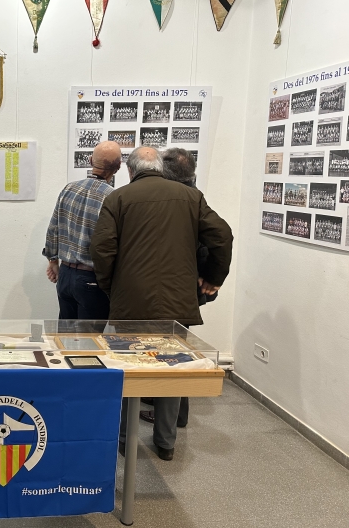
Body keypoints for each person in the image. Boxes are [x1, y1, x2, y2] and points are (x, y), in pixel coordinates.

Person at [90, 146, 233, 461]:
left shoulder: (118, 199)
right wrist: (213, 278)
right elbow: (222, 236)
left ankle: (126, 440)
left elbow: (101, 248)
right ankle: (166, 443)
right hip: (176, 301)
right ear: (159, 167)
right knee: (173, 369)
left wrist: (110, 287)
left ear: (130, 170)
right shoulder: (190, 198)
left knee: (129, 369)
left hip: (130, 302)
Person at [139, 148, 219, 429]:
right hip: (187, 288)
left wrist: (211, 277)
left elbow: (216, 239)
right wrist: (212, 277)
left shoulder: (182, 199)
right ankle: (170, 414)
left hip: (173, 287)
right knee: (177, 349)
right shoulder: (194, 196)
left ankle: (170, 417)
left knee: (170, 353)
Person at [43, 141, 122, 320]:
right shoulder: (113, 198)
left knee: (65, 339)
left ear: (90, 160)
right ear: (117, 167)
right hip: (92, 279)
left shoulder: (68, 189)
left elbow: (53, 228)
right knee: (90, 343)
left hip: (65, 275)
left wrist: (53, 261)